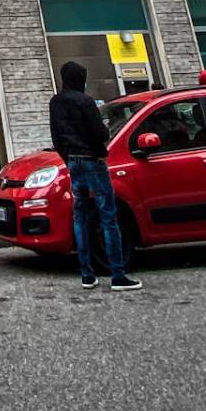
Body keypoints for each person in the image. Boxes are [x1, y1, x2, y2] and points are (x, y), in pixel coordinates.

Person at [48, 61, 141, 292]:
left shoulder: (56, 102)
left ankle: (87, 274)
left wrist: (68, 158)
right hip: (92, 161)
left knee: (80, 217)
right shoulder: (85, 102)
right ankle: (118, 274)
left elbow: (56, 136)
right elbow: (99, 133)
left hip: (74, 161)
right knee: (108, 217)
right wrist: (104, 138)